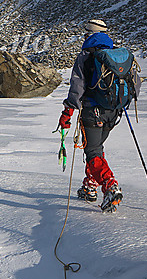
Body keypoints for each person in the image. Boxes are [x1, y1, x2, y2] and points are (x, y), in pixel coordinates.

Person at [57, 18, 139, 212]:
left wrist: (67, 113)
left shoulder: (86, 55)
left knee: (93, 152)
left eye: (85, 32)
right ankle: (89, 187)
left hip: (92, 112)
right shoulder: (119, 56)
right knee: (97, 149)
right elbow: (135, 83)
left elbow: (77, 89)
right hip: (114, 112)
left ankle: (110, 185)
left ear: (90, 34)